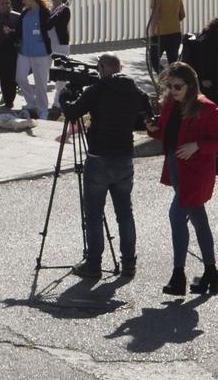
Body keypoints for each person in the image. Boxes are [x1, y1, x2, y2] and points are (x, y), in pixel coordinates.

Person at [60, 53, 153, 278]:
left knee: (93, 214)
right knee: (125, 213)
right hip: (124, 158)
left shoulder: (98, 89)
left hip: (99, 158)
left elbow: (72, 113)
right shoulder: (136, 91)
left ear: (102, 67)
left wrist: (64, 96)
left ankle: (93, 265)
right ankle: (129, 264)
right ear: (120, 67)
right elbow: (147, 118)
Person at [147, 61, 218, 295]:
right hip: (177, 166)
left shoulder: (206, 107)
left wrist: (197, 145)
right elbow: (166, 135)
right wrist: (152, 129)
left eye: (177, 86)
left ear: (190, 85)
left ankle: (178, 276)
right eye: (169, 85)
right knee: (198, 218)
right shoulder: (170, 104)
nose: (172, 90)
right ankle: (211, 273)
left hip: (195, 172)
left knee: (177, 217)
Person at [14, 0, 54, 121]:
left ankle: (43, 111)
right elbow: (19, 31)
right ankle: (31, 102)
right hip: (24, 51)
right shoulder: (24, 13)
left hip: (41, 53)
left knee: (40, 83)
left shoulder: (44, 12)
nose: (23, 2)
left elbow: (50, 29)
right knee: (20, 77)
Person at [178, 17, 218, 104]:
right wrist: (203, 79)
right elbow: (203, 61)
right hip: (209, 83)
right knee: (215, 106)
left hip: (208, 82)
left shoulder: (205, 38)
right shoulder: (209, 42)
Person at [147, 0, 186, 73]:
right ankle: (173, 80)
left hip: (160, 34)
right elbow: (182, 15)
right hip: (176, 33)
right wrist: (172, 21)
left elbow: (155, 16)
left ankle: (164, 77)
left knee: (153, 60)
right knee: (173, 62)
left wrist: (152, 33)